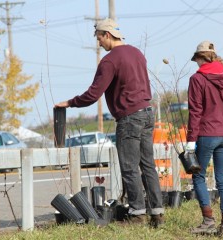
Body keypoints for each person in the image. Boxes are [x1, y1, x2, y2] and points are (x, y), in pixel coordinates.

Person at [54, 18, 164, 227]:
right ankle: (157, 214)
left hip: (130, 117)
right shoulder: (136, 53)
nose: (99, 44)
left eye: (99, 38)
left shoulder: (109, 61)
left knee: (130, 167)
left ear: (106, 34)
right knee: (148, 165)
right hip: (148, 112)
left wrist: (69, 103)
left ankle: (138, 215)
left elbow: (93, 95)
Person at [185, 41, 223, 237]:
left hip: (207, 135)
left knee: (198, 176)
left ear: (201, 58)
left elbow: (195, 111)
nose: (197, 64)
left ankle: (208, 221)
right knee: (222, 181)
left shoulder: (197, 79)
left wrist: (191, 140)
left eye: (197, 60)